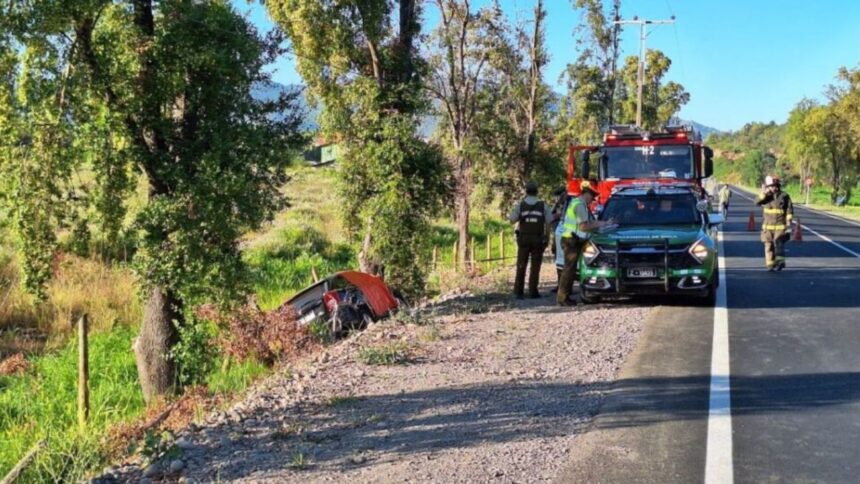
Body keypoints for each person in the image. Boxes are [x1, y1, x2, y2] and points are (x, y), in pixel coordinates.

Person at [557, 181, 613, 306]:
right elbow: (583, 226)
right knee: (569, 270)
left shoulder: (578, 203)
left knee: (570, 269)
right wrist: (603, 223)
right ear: (587, 194)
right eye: (592, 197)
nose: (592, 200)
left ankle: (565, 296)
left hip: (572, 239)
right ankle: (563, 298)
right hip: (572, 241)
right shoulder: (580, 205)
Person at [509, 181, 554, 299]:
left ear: (526, 192)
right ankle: (533, 291)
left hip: (523, 238)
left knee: (521, 264)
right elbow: (549, 222)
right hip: (538, 239)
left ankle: (518, 292)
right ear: (537, 192)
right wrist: (547, 237)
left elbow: (512, 220)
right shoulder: (543, 205)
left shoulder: (520, 205)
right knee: (535, 266)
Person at [756, 175, 794, 271]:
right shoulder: (765, 196)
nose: (773, 187)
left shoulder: (784, 196)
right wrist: (763, 193)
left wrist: (789, 220)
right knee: (768, 245)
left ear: (778, 186)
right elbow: (756, 202)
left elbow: (789, 209)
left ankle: (780, 262)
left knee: (779, 243)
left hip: (780, 226)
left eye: (775, 185)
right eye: (771, 186)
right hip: (767, 227)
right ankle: (770, 264)